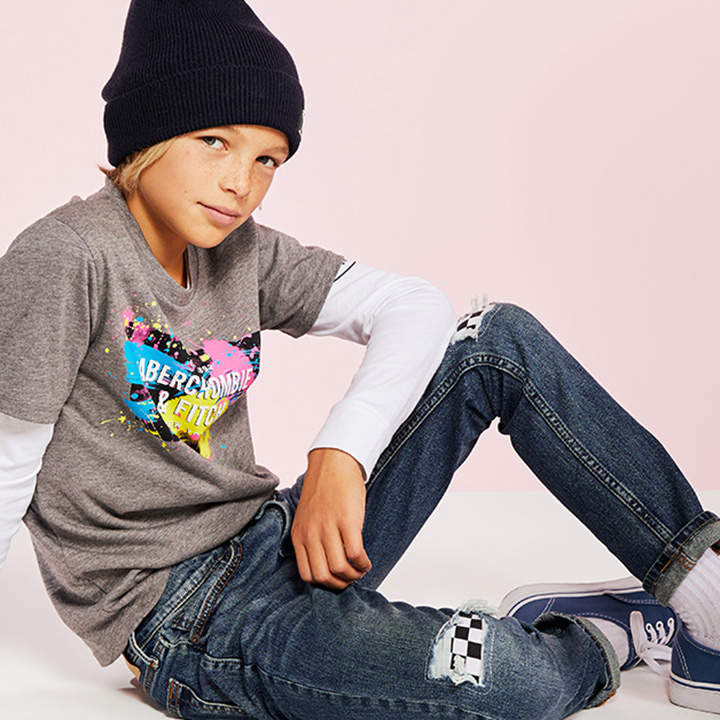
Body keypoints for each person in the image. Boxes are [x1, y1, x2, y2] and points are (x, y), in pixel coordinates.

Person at [0, 1, 718, 718]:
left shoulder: (237, 249)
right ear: (148, 132)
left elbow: (413, 305)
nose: (240, 183)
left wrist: (341, 453)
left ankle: (704, 599)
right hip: (192, 618)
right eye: (215, 141)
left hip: (277, 534)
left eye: (267, 159)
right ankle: (598, 636)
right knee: (516, 681)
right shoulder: (66, 256)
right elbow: (8, 458)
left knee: (496, 341)